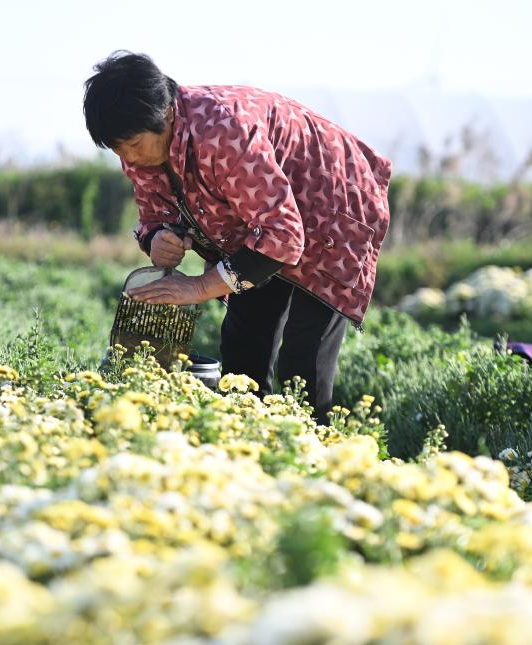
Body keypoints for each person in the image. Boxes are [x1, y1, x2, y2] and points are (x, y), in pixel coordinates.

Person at [83, 52, 392, 421]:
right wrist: (157, 239)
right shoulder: (140, 146)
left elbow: (282, 235)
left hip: (332, 206)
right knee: (244, 341)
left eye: (133, 146)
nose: (129, 159)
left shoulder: (223, 129)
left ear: (165, 115)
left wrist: (199, 287)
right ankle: (249, 448)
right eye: (119, 150)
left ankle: (313, 456)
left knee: (302, 358)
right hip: (259, 222)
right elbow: (155, 210)